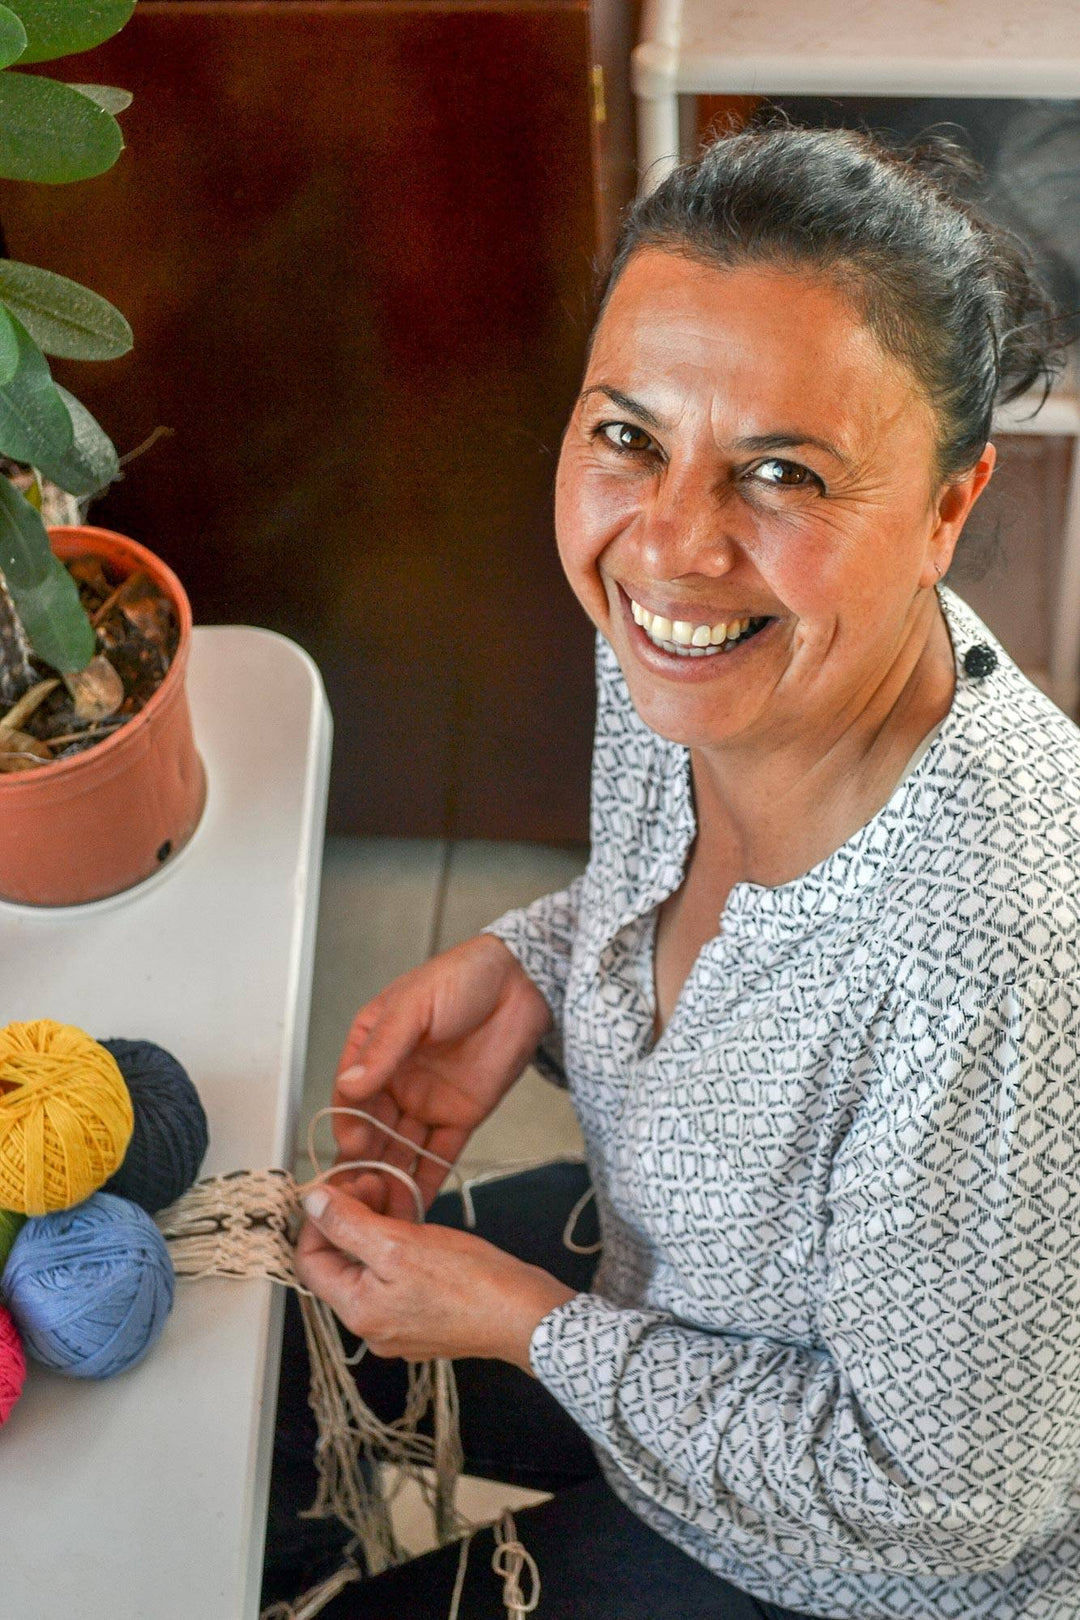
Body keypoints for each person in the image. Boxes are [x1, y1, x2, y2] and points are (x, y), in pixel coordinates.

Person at [265, 119, 1080, 1618]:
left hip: (854, 1568)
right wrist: (535, 966)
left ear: (948, 510)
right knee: (260, 1375)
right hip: (671, 1281)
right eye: (628, 435)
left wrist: (530, 1328)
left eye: (781, 473)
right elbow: (746, 972)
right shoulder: (684, 643)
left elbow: (947, 1504)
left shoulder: (1005, 953)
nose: (672, 543)